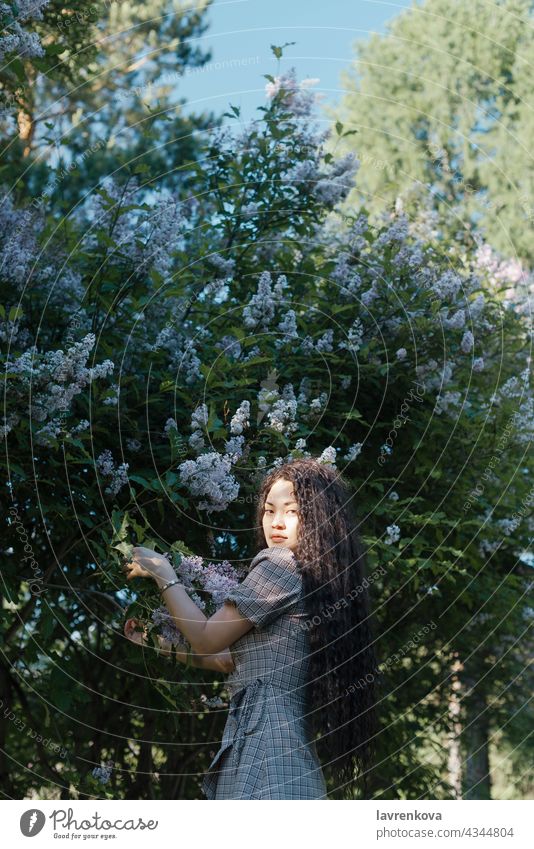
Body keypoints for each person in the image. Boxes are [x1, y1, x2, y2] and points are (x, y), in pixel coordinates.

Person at [124, 457, 379, 799]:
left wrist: (163, 574)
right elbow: (226, 660)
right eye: (269, 510)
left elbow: (207, 639)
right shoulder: (315, 578)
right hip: (286, 763)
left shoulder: (280, 565)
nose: (276, 522)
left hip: (264, 760)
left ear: (319, 518)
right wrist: (154, 642)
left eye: (292, 511)